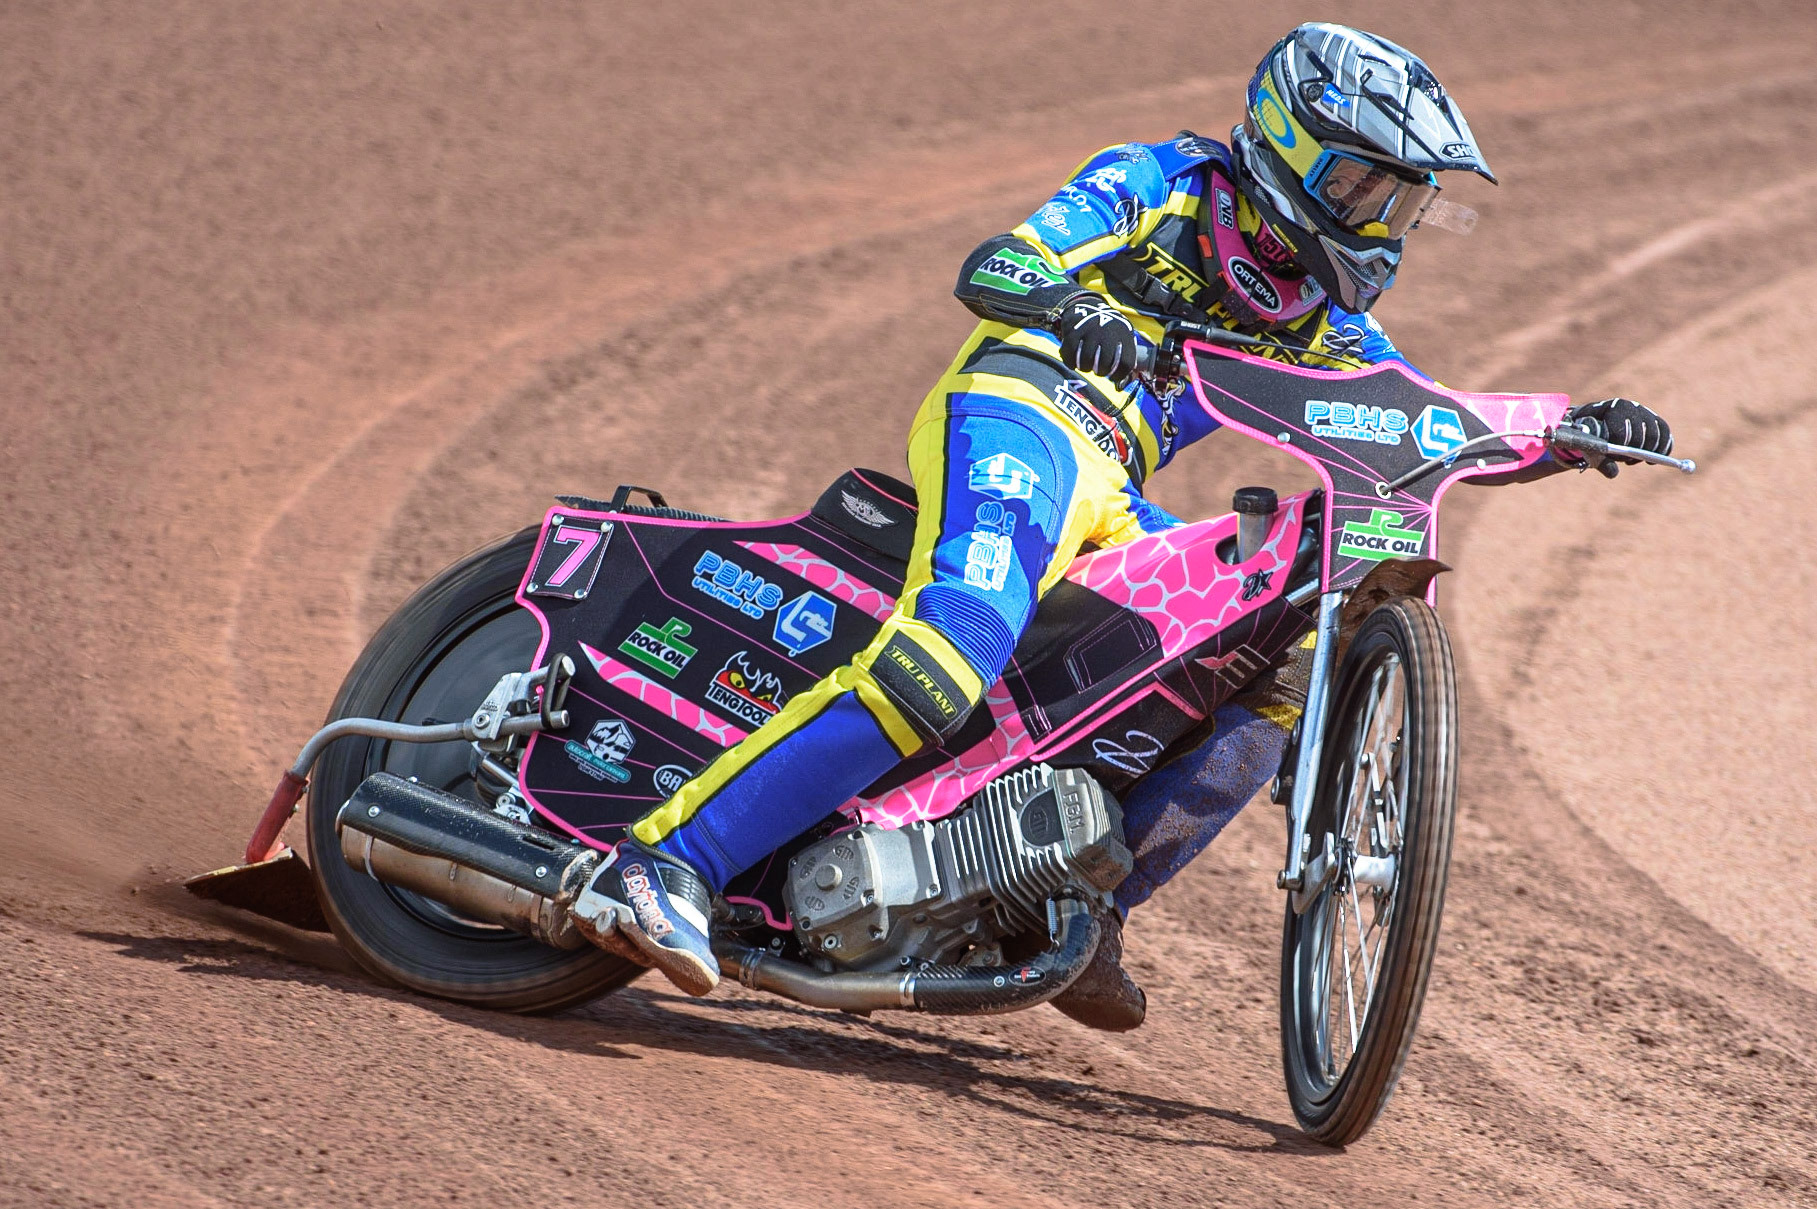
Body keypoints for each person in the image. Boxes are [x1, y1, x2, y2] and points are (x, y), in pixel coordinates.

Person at [570, 23, 1673, 1028]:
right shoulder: (1159, 182)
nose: (1379, 218)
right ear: (1285, 144)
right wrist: (1073, 308)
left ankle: (1087, 911)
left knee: (1268, 649)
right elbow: (997, 265)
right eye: (1359, 184)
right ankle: (665, 861)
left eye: (1401, 200)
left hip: (1111, 487)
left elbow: (1415, 423)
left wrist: (1565, 431)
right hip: (1021, 412)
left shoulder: (1321, 319)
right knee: (948, 653)